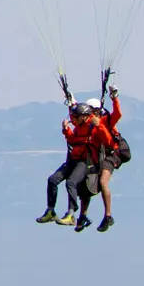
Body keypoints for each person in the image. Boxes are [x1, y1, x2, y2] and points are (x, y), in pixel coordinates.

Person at [36, 95, 97, 227]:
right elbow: (72, 140)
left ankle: (71, 214)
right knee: (52, 180)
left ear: (84, 116)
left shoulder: (93, 127)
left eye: (76, 116)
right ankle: (51, 211)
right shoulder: (79, 127)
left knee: (71, 183)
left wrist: (73, 137)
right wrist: (66, 130)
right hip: (73, 160)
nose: (73, 119)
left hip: (85, 162)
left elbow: (81, 141)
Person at [91, 86, 125, 233]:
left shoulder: (105, 121)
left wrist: (114, 97)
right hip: (105, 154)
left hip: (115, 153)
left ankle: (108, 215)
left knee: (103, 181)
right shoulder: (90, 124)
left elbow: (118, 114)